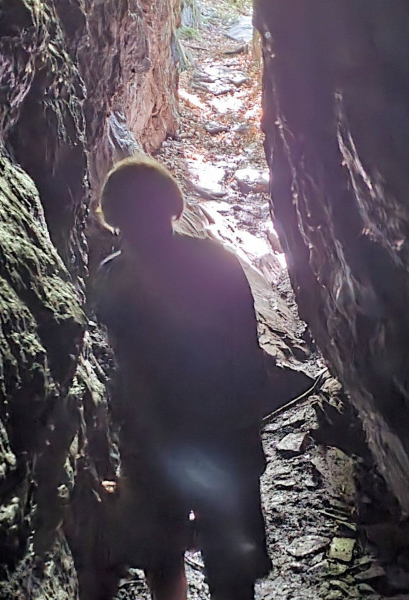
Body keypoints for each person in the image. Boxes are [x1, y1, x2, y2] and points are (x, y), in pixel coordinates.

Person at [88, 156, 272, 600]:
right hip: (219, 429)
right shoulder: (216, 262)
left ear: (112, 217)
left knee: (161, 552)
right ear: (171, 206)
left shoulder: (111, 276)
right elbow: (245, 350)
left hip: (151, 435)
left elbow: (119, 353)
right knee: (229, 554)